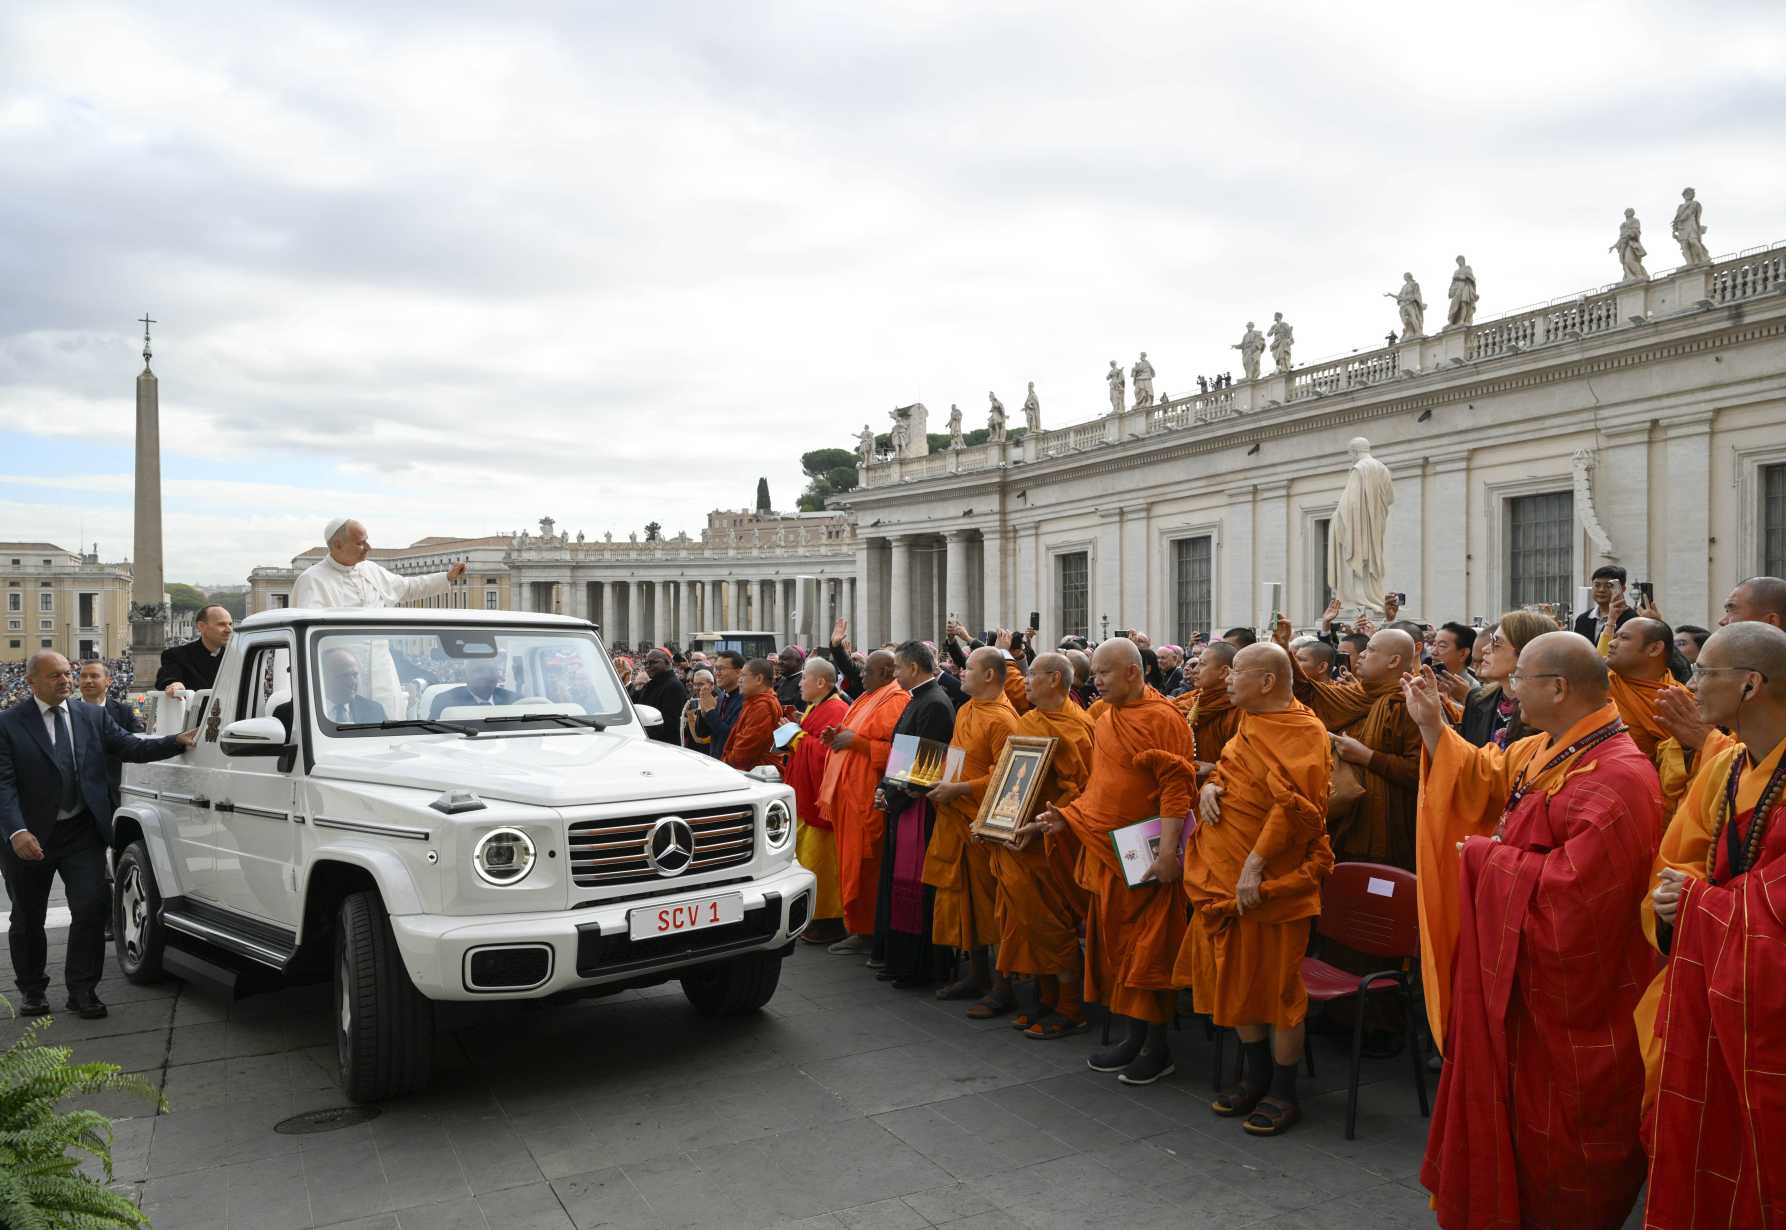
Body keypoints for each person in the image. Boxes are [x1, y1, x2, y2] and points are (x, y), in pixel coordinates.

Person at [1406, 633, 1663, 1230]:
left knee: (1561, 1146)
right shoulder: (1547, 748)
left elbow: (1580, 900)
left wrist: (1483, 859)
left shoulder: (1618, 774)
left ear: (1558, 687)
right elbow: (1481, 774)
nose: (1510, 687)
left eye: (1520, 676)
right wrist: (1431, 727)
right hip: (1520, 986)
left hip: (1572, 1001)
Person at [1642, 622, 1786, 1229]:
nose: (1690, 681)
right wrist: (1676, 898)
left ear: (1751, 684)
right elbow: (1681, 855)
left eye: (1704, 672)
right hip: (1711, 971)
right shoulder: (1727, 764)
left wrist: (1701, 901)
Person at [1178, 642, 1333, 1135]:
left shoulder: (1303, 730)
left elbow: (1295, 807)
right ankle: (1255, 1075)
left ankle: (1284, 1092)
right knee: (1237, 979)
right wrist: (1207, 788)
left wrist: (1255, 866)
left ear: (1267, 681)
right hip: (1227, 876)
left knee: (1279, 988)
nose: (1226, 679)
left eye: (1237, 672)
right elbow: (1232, 773)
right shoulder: (1251, 721)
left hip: (1272, 884)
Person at [1029, 638, 1195, 1085]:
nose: (1094, 681)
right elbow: (1101, 788)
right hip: (1108, 850)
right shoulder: (1106, 718)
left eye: (1103, 673)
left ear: (1132, 673)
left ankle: (1158, 1049)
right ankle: (1131, 1037)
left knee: (1148, 952)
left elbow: (1178, 789)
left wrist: (1167, 854)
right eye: (1094, 673)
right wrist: (1068, 817)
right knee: (1118, 949)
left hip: (1145, 853)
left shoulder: (1163, 718)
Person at [0, 651, 196, 1018]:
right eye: (55, 675)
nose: (65, 680)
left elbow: (130, 746)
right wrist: (17, 831)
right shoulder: (8, 723)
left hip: (81, 831)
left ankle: (82, 989)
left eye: (67, 673)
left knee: (91, 908)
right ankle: (32, 990)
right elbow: (3, 785)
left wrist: (177, 740)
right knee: (27, 918)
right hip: (29, 837)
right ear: (31, 682)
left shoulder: (90, 715)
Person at [999, 653, 1096, 1039]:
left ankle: (1071, 1008)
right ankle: (1047, 997)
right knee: (1028, 923)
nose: (1024, 680)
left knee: (1054, 925)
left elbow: (1083, 791)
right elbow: (1008, 774)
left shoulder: (1076, 726)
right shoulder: (1029, 720)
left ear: (1055, 679)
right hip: (1019, 835)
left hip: (1052, 841)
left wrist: (1041, 826)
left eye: (1031, 675)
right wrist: (994, 819)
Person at [921, 647, 1019, 1011]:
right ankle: (977, 974)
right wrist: (940, 786)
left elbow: (1006, 775)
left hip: (980, 823)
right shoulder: (966, 709)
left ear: (990, 675)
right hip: (953, 815)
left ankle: (1003, 985)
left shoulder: (1004, 720)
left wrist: (960, 789)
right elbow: (955, 755)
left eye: (969, 668)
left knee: (993, 906)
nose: (960, 673)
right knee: (963, 902)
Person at [1284, 623, 1423, 868]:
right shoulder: (1351, 696)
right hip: (1343, 824)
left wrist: (1368, 757)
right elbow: (1305, 693)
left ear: (1393, 661)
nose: (1362, 656)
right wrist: (1283, 647)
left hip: (1389, 832)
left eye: (1370, 650)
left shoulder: (1411, 704)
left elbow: (1421, 771)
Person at [873, 642, 956, 986]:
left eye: (897, 668)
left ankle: (919, 966)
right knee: (899, 881)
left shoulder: (935, 703)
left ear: (912, 668)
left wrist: (892, 796)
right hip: (903, 800)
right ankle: (901, 959)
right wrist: (884, 788)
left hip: (918, 806)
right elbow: (901, 752)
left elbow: (927, 765)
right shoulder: (919, 699)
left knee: (916, 886)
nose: (894, 674)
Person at [816, 650, 908, 956]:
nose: (860, 676)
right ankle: (855, 925)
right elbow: (855, 733)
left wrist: (854, 742)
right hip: (848, 795)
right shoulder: (867, 697)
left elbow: (898, 753)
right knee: (850, 863)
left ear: (885, 672)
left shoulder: (895, 700)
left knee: (866, 867)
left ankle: (866, 930)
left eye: (866, 671)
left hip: (867, 797)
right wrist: (838, 736)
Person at [786, 657, 849, 945]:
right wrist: (801, 727)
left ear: (821, 683)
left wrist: (800, 739)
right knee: (809, 859)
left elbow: (830, 755)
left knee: (821, 862)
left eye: (804, 679)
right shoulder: (818, 705)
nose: (800, 683)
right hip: (805, 794)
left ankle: (829, 921)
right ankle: (815, 917)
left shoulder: (836, 708)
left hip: (820, 801)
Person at [291, 517, 465, 609]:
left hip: (380, 663)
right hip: (338, 668)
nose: (368, 547)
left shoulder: (371, 570)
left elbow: (408, 588)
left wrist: (447, 577)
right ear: (338, 545)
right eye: (360, 543)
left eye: (366, 540)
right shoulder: (312, 580)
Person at [1175, 640, 1241, 770]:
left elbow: (1245, 762)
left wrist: (1214, 768)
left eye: (1202, 664)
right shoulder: (1195, 698)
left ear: (1223, 672)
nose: (1195, 670)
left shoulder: (1238, 710)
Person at [154, 604, 233, 696]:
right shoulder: (177, 655)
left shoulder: (239, 656)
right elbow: (167, 678)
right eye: (221, 624)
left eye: (230, 624)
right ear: (201, 626)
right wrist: (175, 684)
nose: (229, 630)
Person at [721, 659, 783, 771]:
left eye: (743, 675)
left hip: (756, 774)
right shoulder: (755, 702)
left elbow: (744, 752)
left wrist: (723, 765)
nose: (739, 680)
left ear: (759, 679)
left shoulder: (763, 707)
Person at [690, 651, 745, 759]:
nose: (717, 673)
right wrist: (703, 710)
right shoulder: (722, 696)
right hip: (716, 759)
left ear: (738, 671)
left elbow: (729, 736)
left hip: (733, 763)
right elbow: (702, 732)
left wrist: (710, 711)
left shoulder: (744, 699)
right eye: (716, 668)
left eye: (721, 669)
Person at [629, 649, 688, 743]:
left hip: (664, 746)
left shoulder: (673, 686)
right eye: (646, 663)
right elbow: (630, 704)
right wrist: (632, 683)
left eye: (653, 663)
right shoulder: (652, 684)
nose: (648, 666)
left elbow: (670, 724)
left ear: (668, 662)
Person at [428, 659, 518, 718]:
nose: (487, 675)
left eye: (492, 670)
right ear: (464, 675)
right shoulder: (444, 701)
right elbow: (433, 736)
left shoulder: (514, 700)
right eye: (479, 670)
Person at [1572, 564, 1636, 644]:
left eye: (1608, 586)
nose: (1601, 590)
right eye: (1597, 585)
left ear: (1622, 589)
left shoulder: (1632, 619)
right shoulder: (1582, 619)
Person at [320, 648, 386, 724]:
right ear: (323, 677)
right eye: (345, 676)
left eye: (355, 675)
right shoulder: (308, 708)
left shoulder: (374, 710)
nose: (352, 682)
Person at [773, 646, 806, 710]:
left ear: (798, 661)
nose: (779, 662)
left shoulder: (803, 682)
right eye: (779, 658)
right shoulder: (780, 680)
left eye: (784, 659)